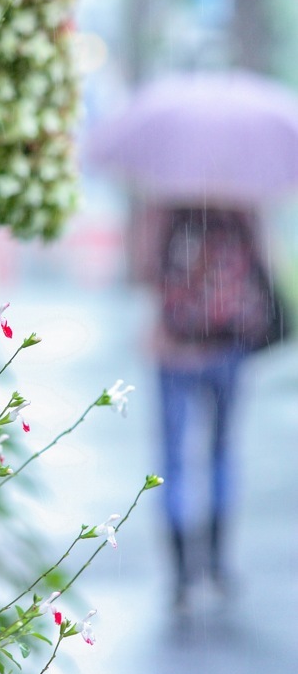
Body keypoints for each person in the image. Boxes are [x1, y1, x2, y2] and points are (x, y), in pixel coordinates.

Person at [134, 203, 284, 606]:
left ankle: (182, 571)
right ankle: (217, 563)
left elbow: (145, 271)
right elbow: (267, 267)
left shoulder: (168, 206)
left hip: (175, 347)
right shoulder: (243, 206)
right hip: (227, 346)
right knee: (221, 451)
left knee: (174, 459)